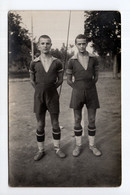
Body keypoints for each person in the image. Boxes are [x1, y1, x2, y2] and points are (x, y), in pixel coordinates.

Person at [29, 35, 66, 161]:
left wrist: (50, 89)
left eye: (48, 43)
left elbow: (60, 80)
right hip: (39, 96)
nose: (45, 46)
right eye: (43, 43)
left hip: (53, 95)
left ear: (51, 45)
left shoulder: (57, 62)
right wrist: (40, 90)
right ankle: (41, 150)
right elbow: (32, 81)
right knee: (40, 124)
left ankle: (57, 148)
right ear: (38, 46)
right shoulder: (34, 62)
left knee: (55, 123)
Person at [66, 34, 102, 157]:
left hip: (91, 91)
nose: (81, 46)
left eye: (83, 43)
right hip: (77, 92)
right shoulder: (72, 60)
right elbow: (69, 80)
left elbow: (96, 77)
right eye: (79, 43)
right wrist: (77, 88)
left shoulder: (93, 58)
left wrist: (89, 86)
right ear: (76, 44)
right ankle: (78, 145)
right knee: (77, 119)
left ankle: (92, 145)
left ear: (86, 44)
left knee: (92, 119)